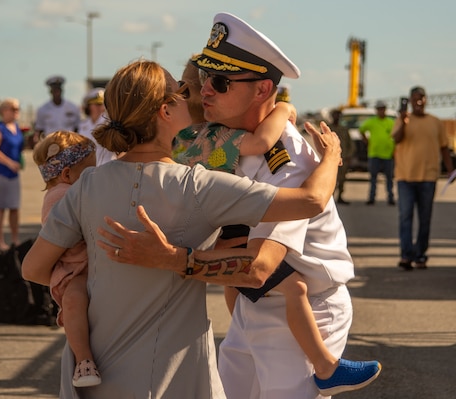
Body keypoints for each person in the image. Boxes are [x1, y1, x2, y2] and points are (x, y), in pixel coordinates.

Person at [97, 13, 381, 399]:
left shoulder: (288, 159)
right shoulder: (223, 140)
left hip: (304, 308)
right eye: (203, 80)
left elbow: (261, 266)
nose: (205, 91)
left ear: (263, 89)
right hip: (253, 302)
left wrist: (171, 259)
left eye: (220, 82)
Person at [22, 59, 343, 398]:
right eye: (181, 92)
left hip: (93, 368)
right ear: (165, 111)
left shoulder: (88, 184)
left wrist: (90, 281)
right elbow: (311, 201)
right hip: (170, 372)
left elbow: (33, 268)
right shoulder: (197, 186)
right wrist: (332, 158)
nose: (192, 96)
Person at [32, 130, 101, 388]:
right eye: (90, 172)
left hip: (84, 264)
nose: (94, 177)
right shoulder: (61, 195)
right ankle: (83, 360)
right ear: (67, 174)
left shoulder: (69, 189)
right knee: (74, 300)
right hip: (73, 270)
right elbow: (63, 234)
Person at [392, 86, 454, 270]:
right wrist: (403, 121)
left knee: (425, 219)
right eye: (415, 98)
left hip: (428, 177)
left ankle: (420, 255)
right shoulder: (403, 120)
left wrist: (450, 169)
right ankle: (406, 255)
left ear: (426, 100)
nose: (418, 101)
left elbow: (444, 147)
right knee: (405, 217)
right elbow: (396, 139)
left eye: (422, 98)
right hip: (405, 177)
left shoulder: (435, 122)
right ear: (410, 101)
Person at [0, 98, 25, 252]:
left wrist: (19, 161)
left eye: (17, 109)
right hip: (0, 171)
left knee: (14, 206)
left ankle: (15, 239)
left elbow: (19, 148)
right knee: (1, 206)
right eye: (12, 109)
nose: (16, 112)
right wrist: (9, 162)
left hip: (13, 172)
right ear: (3, 110)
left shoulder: (16, 128)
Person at [359, 100, 396, 205]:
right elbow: (361, 130)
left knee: (389, 178)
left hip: (387, 154)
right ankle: (372, 197)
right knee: (373, 178)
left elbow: (396, 136)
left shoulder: (390, 122)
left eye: (382, 109)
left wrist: (394, 149)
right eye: (379, 109)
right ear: (377, 110)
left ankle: (390, 197)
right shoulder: (372, 121)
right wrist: (367, 141)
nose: (381, 111)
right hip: (374, 154)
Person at [33, 76, 81, 145]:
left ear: (62, 90)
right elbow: (39, 130)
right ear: (50, 92)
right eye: (54, 90)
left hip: (69, 145)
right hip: (51, 145)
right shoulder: (43, 109)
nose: (57, 93)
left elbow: (77, 128)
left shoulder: (72, 108)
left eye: (58, 90)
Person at [78, 87, 117, 165]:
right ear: (89, 106)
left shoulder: (110, 124)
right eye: (97, 104)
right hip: (88, 167)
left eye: (102, 104)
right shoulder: (82, 125)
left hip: (107, 166)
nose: (100, 107)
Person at [329, 108, 355, 204]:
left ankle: (340, 196)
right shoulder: (328, 129)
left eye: (338, 115)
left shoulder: (344, 129)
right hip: (331, 158)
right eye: (335, 115)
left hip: (343, 158)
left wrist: (349, 155)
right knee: (331, 179)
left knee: (342, 178)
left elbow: (350, 144)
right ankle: (330, 198)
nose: (337, 117)